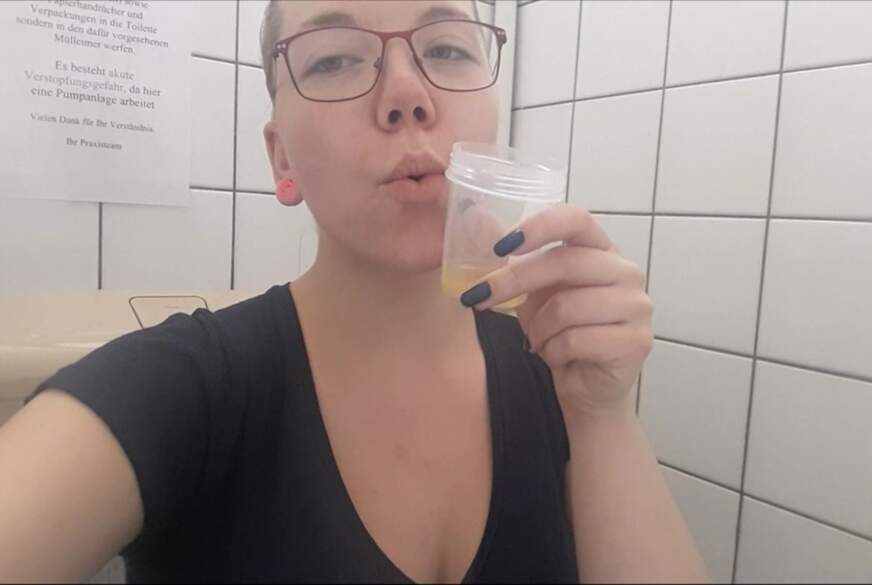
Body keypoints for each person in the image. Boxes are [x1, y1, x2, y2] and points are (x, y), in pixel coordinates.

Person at [0, 1, 709, 583]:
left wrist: (602, 412)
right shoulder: (186, 389)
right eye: (335, 59)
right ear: (282, 156)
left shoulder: (554, 365)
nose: (407, 95)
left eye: (446, 48)